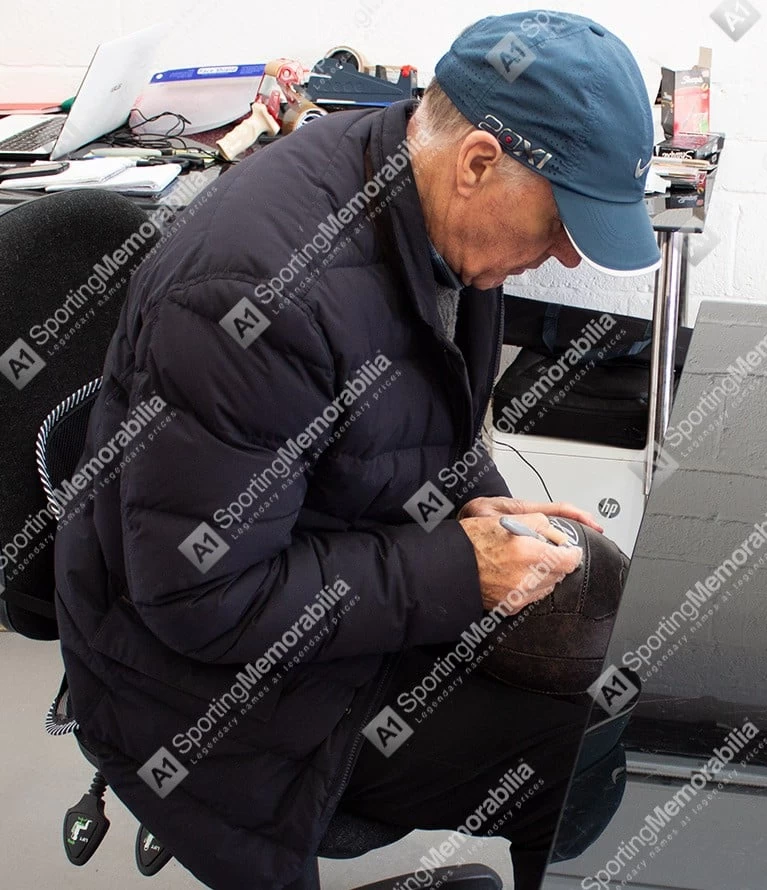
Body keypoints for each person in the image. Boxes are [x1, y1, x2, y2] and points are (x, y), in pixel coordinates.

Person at [55, 10, 660, 890]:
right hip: (202, 687)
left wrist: (476, 498)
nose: (565, 252)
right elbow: (198, 597)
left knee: (603, 651)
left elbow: (412, 418)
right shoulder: (256, 297)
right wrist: (458, 569)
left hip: (325, 577)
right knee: (584, 758)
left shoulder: (423, 199)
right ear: (480, 160)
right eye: (564, 218)